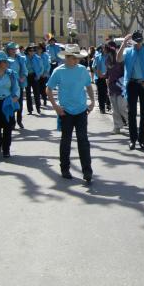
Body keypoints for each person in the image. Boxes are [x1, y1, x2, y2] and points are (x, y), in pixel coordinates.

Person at [46, 44, 95, 183]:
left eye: (78, 58)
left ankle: (87, 171)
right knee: (65, 141)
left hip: (81, 111)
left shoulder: (82, 70)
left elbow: (88, 86)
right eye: (74, 58)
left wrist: (92, 101)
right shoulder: (58, 71)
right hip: (65, 112)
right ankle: (65, 168)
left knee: (83, 141)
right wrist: (55, 106)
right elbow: (48, 89)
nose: (77, 60)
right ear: (67, 58)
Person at [117, 30, 144, 150]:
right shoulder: (128, 51)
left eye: (139, 42)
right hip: (132, 83)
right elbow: (118, 59)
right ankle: (133, 139)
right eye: (135, 42)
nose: (137, 44)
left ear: (142, 41)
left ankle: (142, 140)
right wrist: (124, 43)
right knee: (132, 112)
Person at [105, 42, 128, 134]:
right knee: (115, 109)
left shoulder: (120, 59)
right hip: (111, 86)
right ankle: (117, 127)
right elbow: (108, 72)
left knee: (122, 107)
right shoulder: (107, 60)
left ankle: (130, 121)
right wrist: (107, 79)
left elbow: (126, 71)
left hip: (121, 87)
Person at [6, 42, 28, 128]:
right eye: (11, 49)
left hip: (18, 84)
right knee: (11, 103)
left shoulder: (20, 59)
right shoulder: (5, 59)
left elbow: (24, 70)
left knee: (19, 103)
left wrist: (23, 77)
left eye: (14, 49)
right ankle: (12, 122)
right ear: (8, 50)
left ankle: (19, 120)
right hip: (8, 85)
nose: (13, 51)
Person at [24, 43, 43, 115]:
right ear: (27, 51)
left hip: (35, 76)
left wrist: (39, 75)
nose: (32, 52)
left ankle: (38, 108)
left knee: (36, 93)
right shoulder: (23, 58)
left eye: (33, 50)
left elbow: (41, 68)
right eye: (30, 50)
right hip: (27, 76)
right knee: (28, 93)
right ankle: (30, 109)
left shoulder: (37, 58)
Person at [92, 44, 111, 114]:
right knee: (100, 93)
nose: (104, 50)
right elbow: (94, 67)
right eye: (103, 48)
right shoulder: (97, 57)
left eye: (105, 48)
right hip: (99, 77)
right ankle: (102, 108)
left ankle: (108, 104)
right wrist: (98, 74)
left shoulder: (110, 57)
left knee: (107, 92)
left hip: (108, 77)